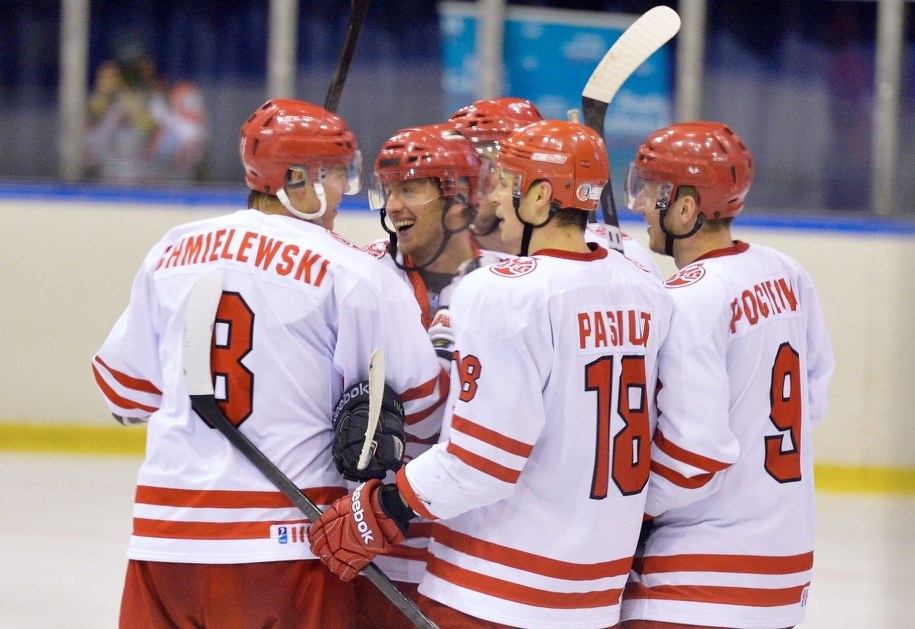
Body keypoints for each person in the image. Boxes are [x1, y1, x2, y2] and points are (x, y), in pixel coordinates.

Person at [91, 98, 447, 629]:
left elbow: (122, 391)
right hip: (284, 547)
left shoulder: (173, 249)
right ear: (296, 181)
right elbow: (424, 409)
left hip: (164, 542)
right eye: (335, 175)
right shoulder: (352, 272)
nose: (340, 193)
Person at [308, 120, 674, 628]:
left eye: (504, 183)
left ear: (541, 196)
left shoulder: (503, 291)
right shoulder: (645, 285)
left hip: (493, 591)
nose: (494, 199)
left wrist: (383, 507)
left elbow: (482, 463)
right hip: (595, 595)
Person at [618, 121, 835, 629]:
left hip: (698, 577)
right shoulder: (784, 270)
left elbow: (695, 455)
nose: (638, 206)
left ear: (687, 207)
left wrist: (625, 512)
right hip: (784, 569)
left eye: (649, 193)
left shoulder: (691, 298)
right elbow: (814, 398)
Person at [357, 122, 510, 626]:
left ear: (460, 200)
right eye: (389, 189)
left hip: (471, 556)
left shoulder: (511, 287)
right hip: (376, 548)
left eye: (412, 188)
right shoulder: (358, 277)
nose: (393, 205)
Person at [449, 96, 663, 278]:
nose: (466, 184)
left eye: (483, 164)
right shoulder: (444, 254)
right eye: (460, 168)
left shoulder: (623, 254)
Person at [85, 38, 208, 184]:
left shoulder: (181, 95)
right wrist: (98, 105)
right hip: (114, 198)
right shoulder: (106, 102)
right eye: (125, 67)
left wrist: (144, 120)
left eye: (137, 64)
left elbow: (193, 156)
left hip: (167, 198)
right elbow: (82, 159)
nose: (132, 74)